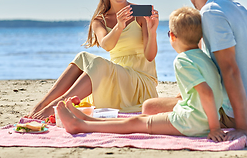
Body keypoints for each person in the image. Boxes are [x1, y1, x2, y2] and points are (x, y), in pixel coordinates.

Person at [143, 0, 247, 140]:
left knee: (150, 107)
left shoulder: (210, 13)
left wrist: (243, 128)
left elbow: (230, 69)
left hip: (243, 114)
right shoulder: (238, 7)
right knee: (180, 98)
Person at [55, 7, 226, 141]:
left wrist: (214, 128)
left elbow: (206, 93)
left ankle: (81, 126)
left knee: (136, 123)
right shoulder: (204, 57)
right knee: (142, 118)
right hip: (195, 117)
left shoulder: (182, 61)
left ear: (172, 36)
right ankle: (90, 121)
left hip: (191, 122)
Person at [27, 0, 159, 119]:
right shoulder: (99, 20)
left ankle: (59, 105)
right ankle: (42, 105)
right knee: (82, 56)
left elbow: (150, 56)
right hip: (116, 83)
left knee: (100, 64)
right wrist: (119, 26)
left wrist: (152, 31)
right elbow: (107, 45)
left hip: (140, 84)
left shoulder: (140, 15)